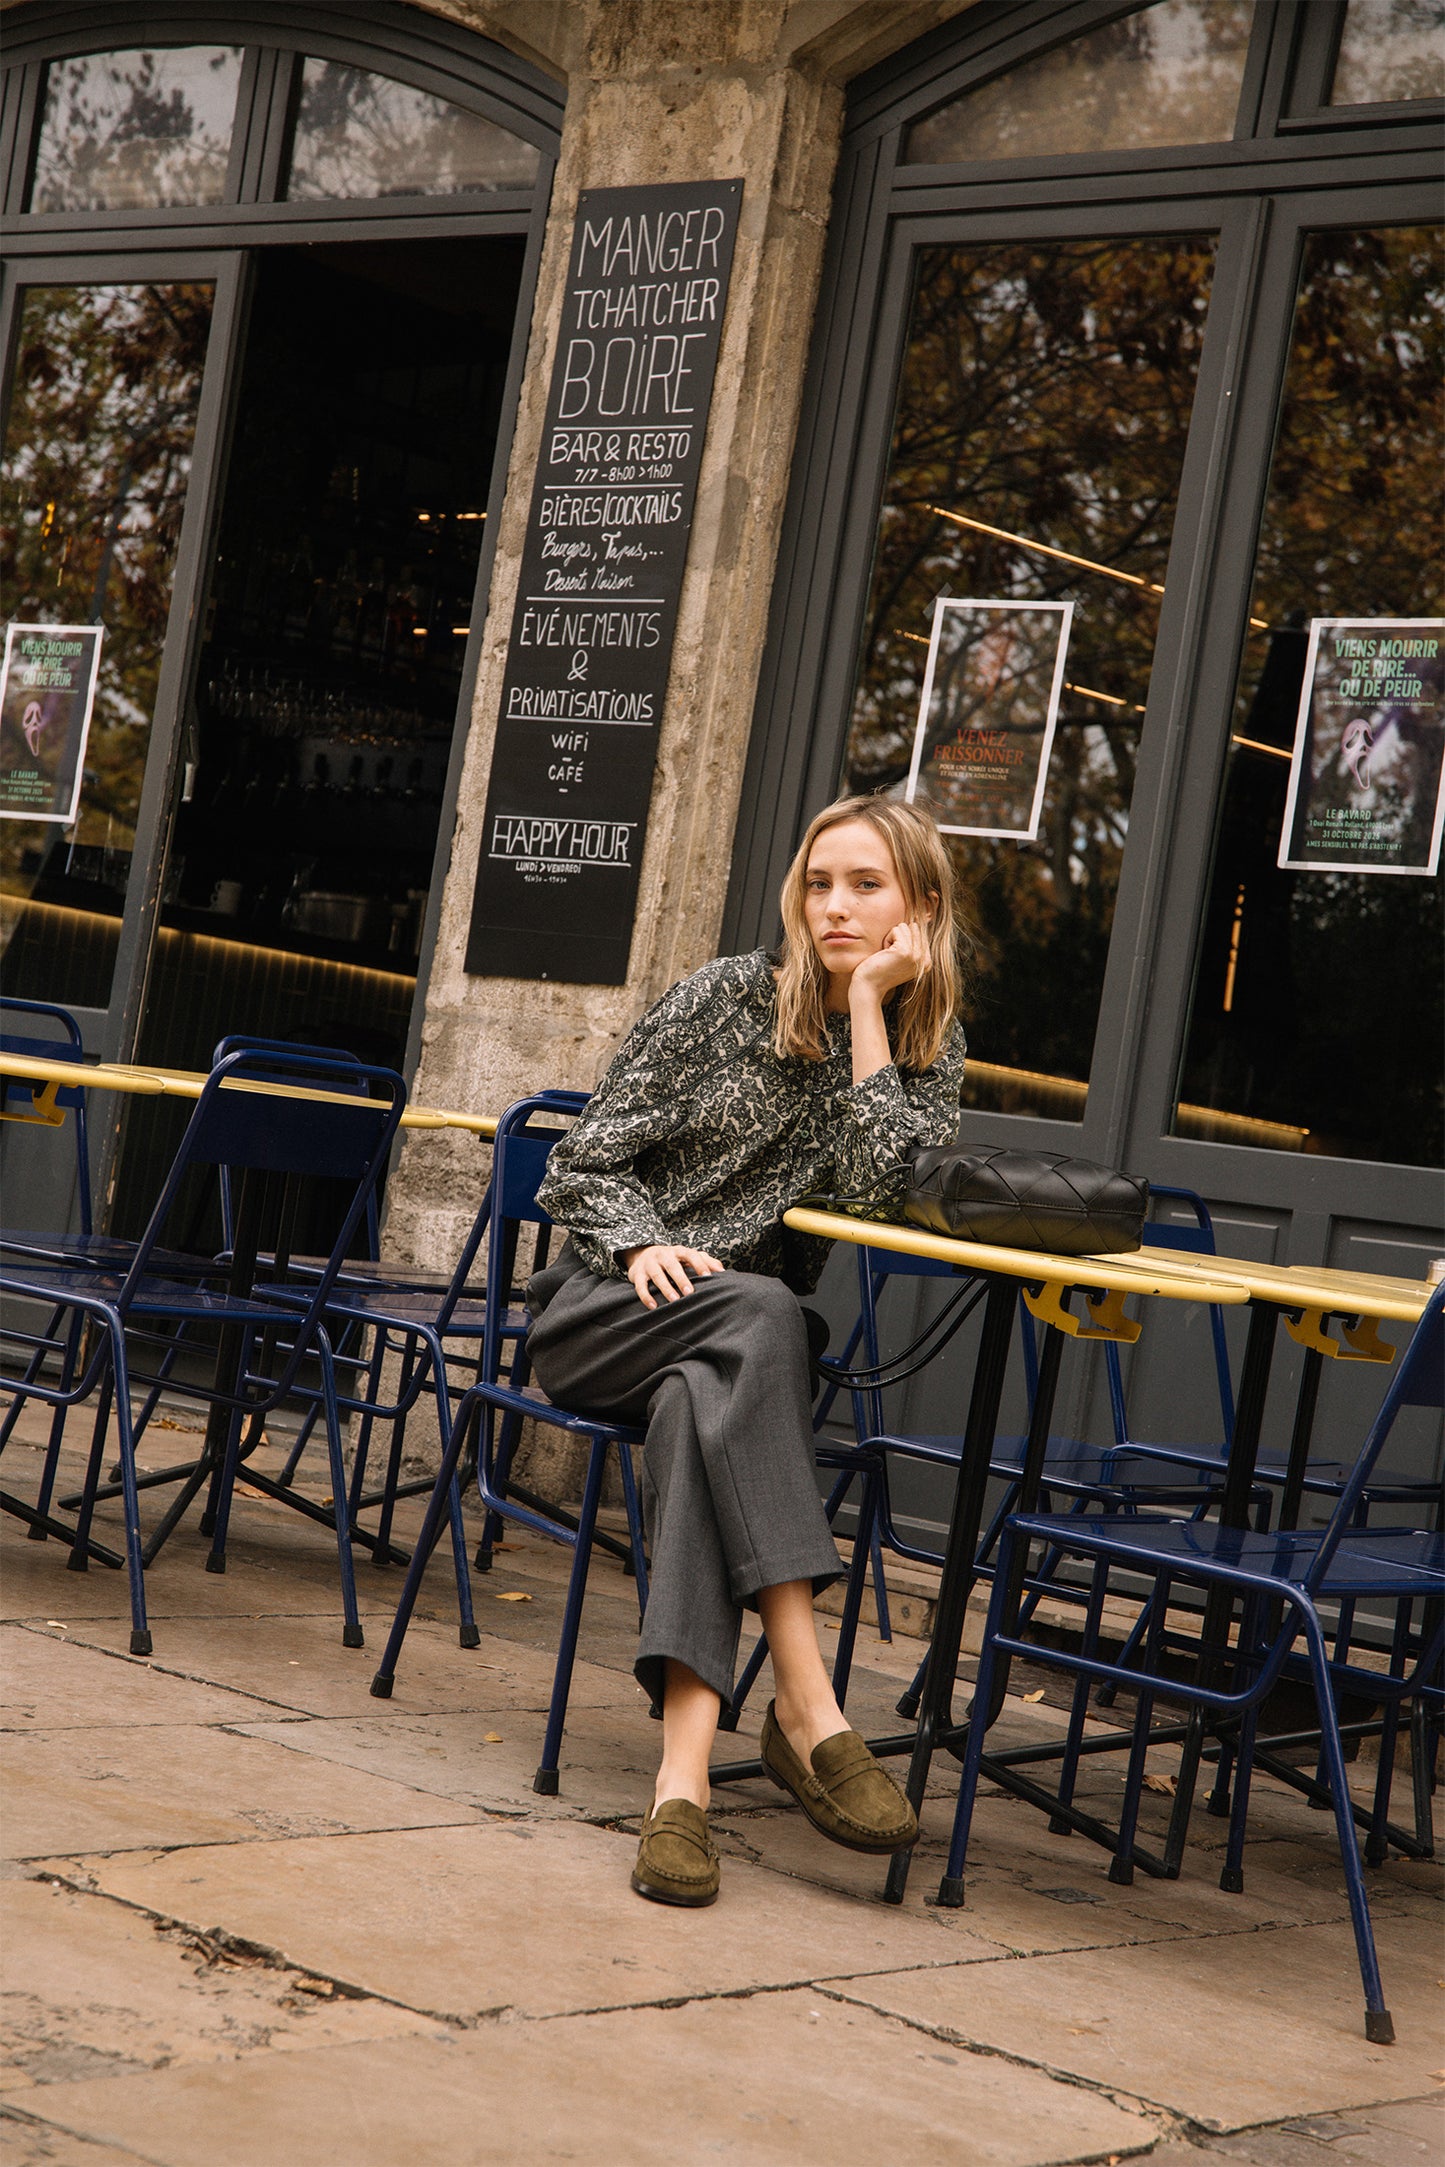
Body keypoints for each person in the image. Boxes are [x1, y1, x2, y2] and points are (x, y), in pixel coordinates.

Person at [526, 794, 968, 1905]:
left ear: (919, 905)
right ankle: (806, 1701)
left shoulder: (924, 1048)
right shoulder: (724, 996)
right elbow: (577, 1160)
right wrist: (639, 1244)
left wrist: (865, 1009)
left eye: (865, 886)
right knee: (766, 1311)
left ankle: (679, 1786)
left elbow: (876, 1192)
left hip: (726, 1356)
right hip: (603, 1311)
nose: (834, 907)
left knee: (700, 1400)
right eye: (818, 884)